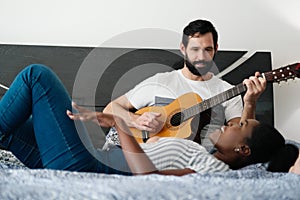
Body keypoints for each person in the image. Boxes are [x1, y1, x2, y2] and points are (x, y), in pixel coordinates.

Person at [0, 64, 299, 176]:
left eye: (239, 125)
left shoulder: (213, 169)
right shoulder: (205, 153)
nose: (232, 123)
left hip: (89, 168)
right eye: (239, 121)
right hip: (93, 158)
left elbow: (146, 176)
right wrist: (116, 119)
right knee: (6, 135)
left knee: (36, 76)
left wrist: (120, 124)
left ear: (244, 150)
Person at [103, 19, 266, 150]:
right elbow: (111, 108)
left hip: (193, 162)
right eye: (195, 49)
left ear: (216, 49)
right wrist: (135, 120)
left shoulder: (228, 91)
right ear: (183, 48)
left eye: (207, 49)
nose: (201, 56)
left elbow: (241, 142)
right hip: (140, 152)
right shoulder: (160, 81)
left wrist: (250, 103)